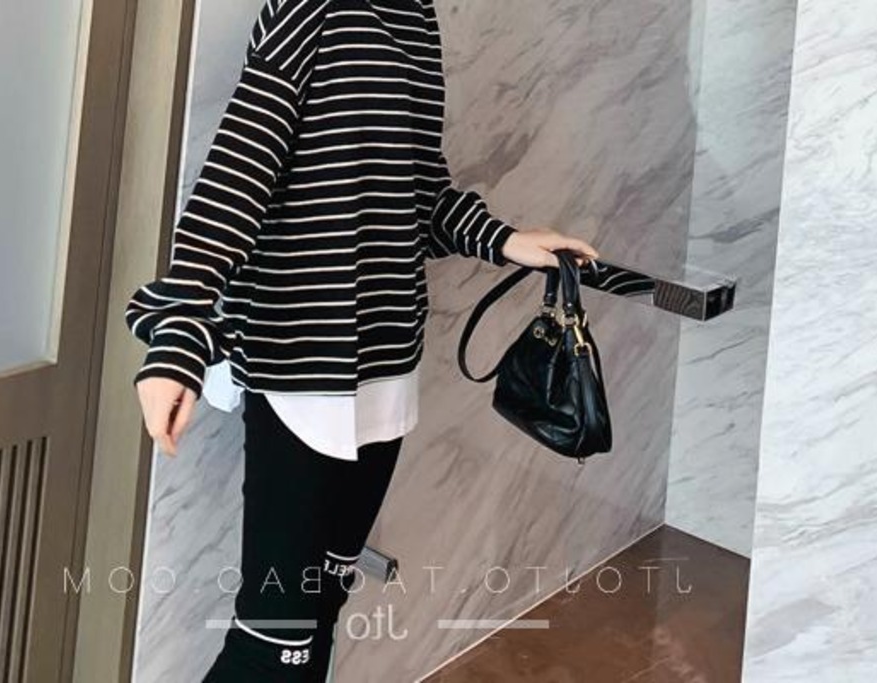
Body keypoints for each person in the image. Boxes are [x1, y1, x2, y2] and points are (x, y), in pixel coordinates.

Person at [125, 0, 599, 680]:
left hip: (386, 370)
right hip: (301, 372)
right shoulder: (307, 9)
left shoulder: (415, 16)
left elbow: (421, 190)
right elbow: (236, 179)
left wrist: (506, 240)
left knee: (322, 610)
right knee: (272, 644)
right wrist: (178, 336)